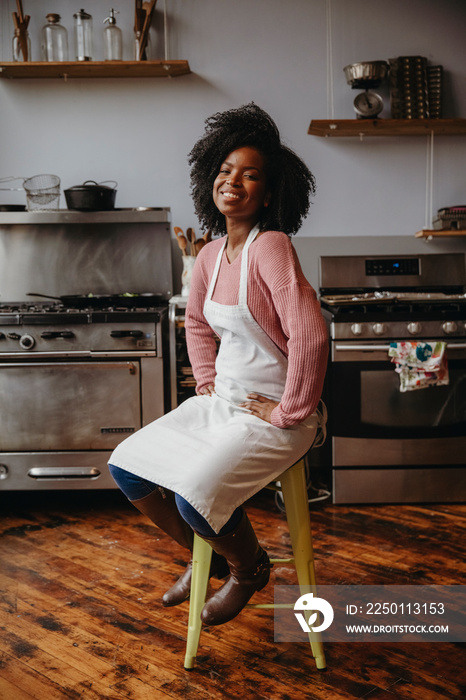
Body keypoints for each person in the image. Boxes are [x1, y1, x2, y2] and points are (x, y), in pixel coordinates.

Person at [108, 103, 328, 627]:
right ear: (211, 179)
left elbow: (311, 332)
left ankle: (249, 570)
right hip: (223, 403)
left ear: (269, 194)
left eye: (250, 175)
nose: (234, 182)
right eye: (226, 171)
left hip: (274, 416)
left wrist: (290, 411)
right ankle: (208, 560)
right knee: (127, 465)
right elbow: (199, 326)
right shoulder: (207, 254)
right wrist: (205, 381)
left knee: (193, 495)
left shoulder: (271, 247)